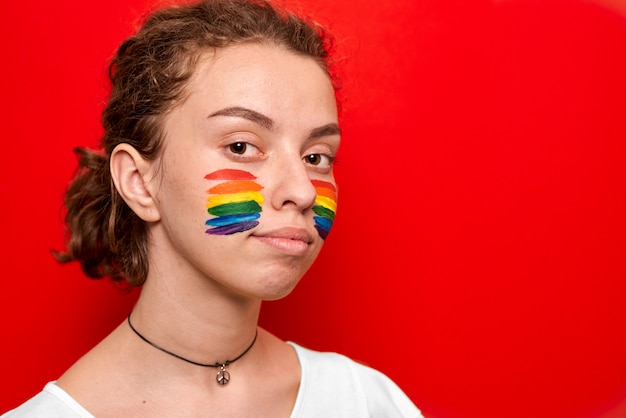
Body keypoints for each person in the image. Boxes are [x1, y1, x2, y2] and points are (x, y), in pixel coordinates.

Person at [3, 0, 422, 416]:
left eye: (317, 157)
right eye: (241, 146)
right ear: (139, 182)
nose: (303, 190)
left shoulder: (366, 402)